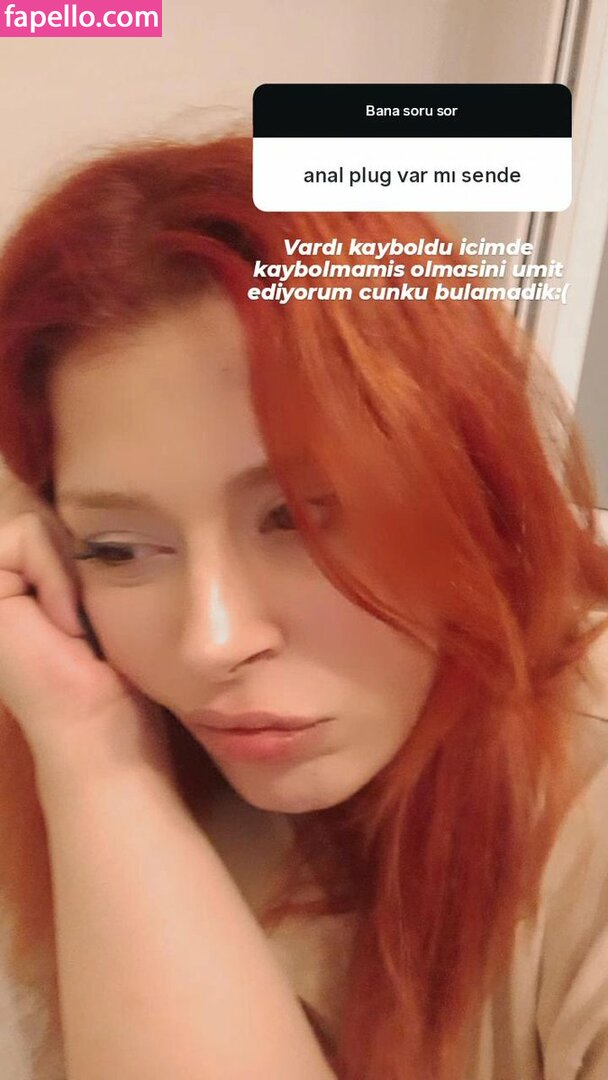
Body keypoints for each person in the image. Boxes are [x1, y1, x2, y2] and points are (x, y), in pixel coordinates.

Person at [0, 132, 606, 1080]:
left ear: (467, 483)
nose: (212, 642)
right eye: (118, 548)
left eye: (299, 518)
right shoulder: (76, 699)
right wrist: (94, 758)